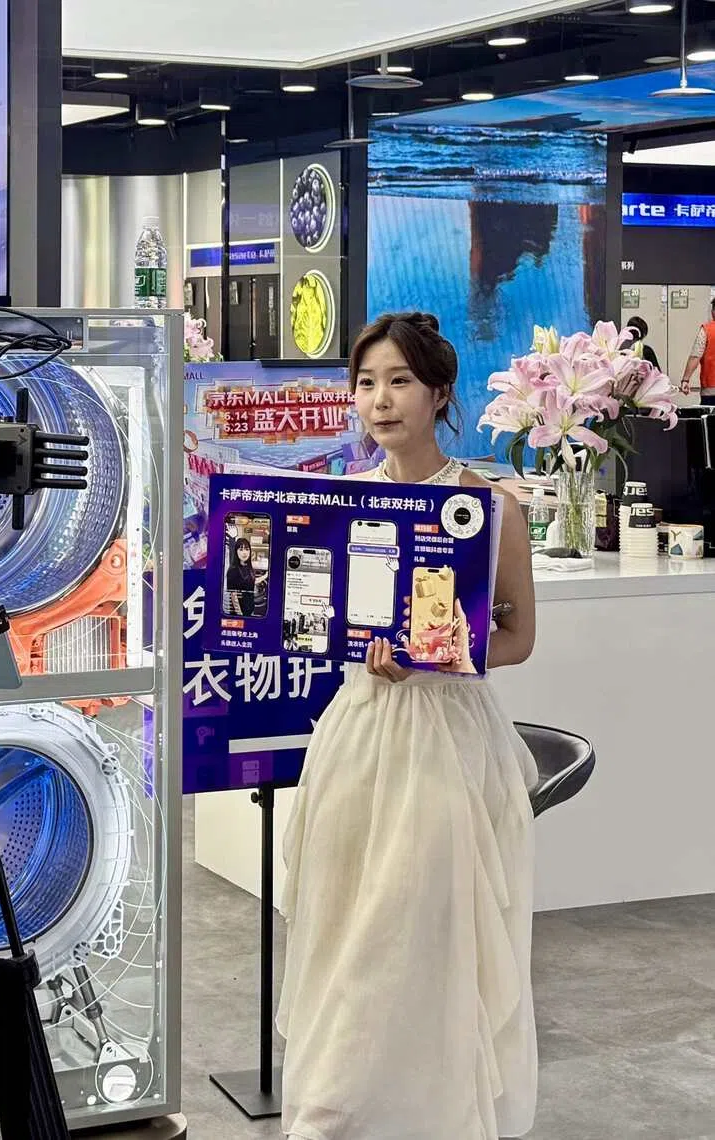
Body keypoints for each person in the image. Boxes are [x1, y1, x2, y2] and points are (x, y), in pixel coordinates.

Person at [277, 311, 540, 1140]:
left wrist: (431, 657)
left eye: (398, 382)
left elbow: (517, 637)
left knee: (419, 930)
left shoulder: (489, 506)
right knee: (344, 925)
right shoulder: (336, 499)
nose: (379, 401)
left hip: (446, 738)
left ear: (438, 395)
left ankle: (430, 1113)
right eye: (365, 383)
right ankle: (334, 1110)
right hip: (358, 730)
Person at [680, 299, 715, 404]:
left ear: (713, 311)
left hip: (711, 390)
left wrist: (685, 380)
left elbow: (695, 356)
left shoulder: (707, 330)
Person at [225, 536, 264, 617]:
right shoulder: (233, 570)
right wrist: (240, 615)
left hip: (250, 610)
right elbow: (233, 596)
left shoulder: (248, 567)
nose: (244, 552)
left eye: (247, 549)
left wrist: (266, 575)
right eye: (241, 549)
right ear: (236, 551)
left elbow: (251, 581)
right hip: (240, 613)